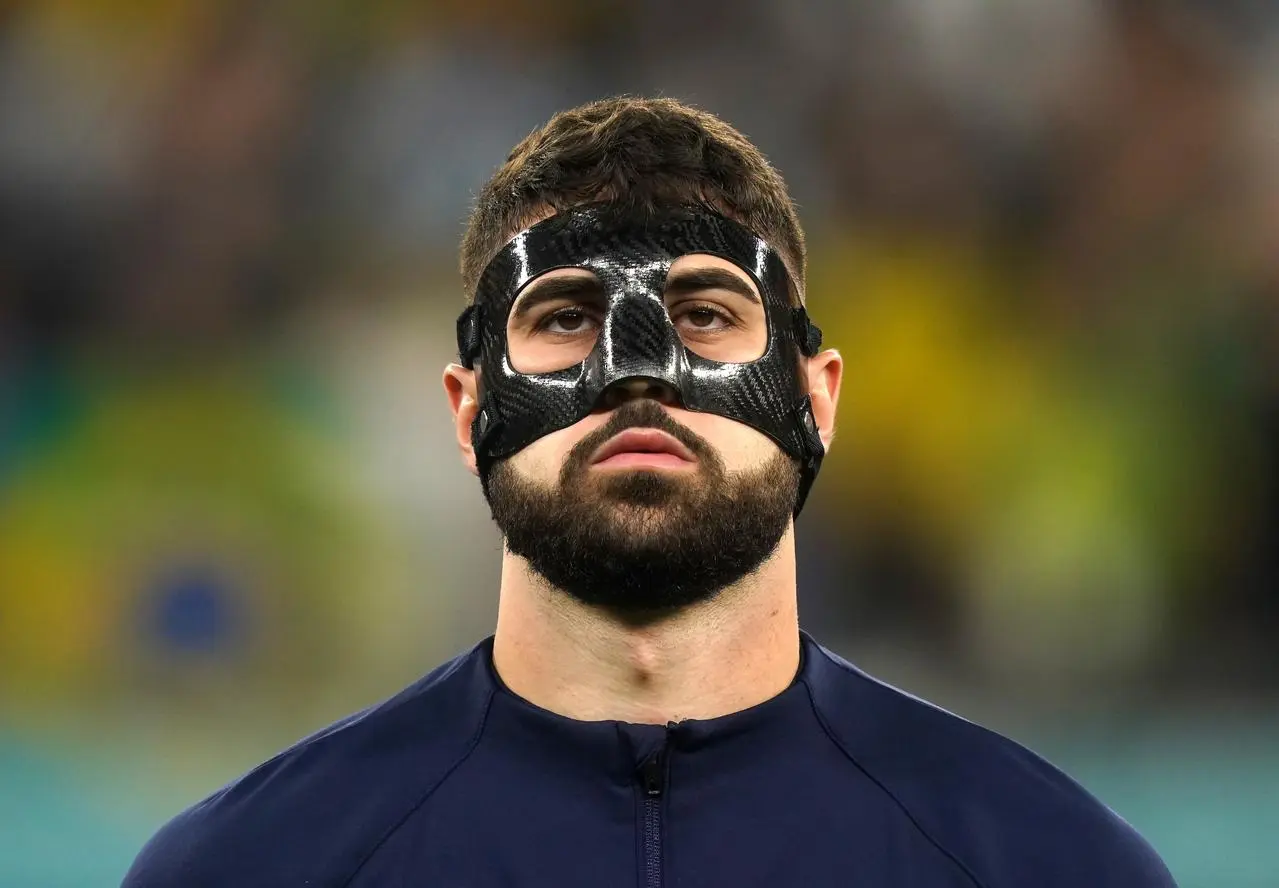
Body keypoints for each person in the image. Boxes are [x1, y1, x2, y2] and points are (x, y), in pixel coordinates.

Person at [122, 96, 1176, 888]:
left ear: (817, 398)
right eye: (566, 316)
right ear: (465, 409)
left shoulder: (1049, 867)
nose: (639, 370)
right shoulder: (249, 870)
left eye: (707, 315)